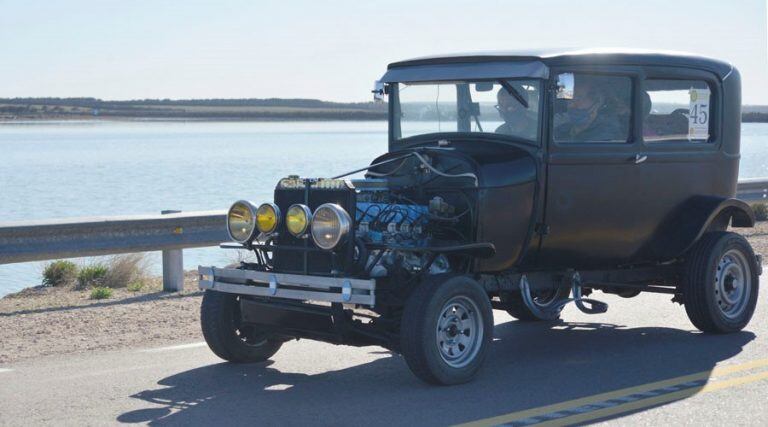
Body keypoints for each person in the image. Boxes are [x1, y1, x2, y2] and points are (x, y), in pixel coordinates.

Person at [554, 76, 626, 142]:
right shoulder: (561, 130)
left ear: (597, 103)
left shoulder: (606, 137)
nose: (571, 105)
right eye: (570, 99)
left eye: (578, 99)